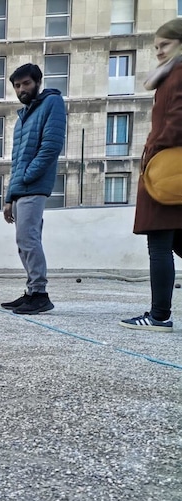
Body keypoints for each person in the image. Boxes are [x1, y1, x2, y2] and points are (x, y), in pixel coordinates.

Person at [120, 19, 182, 332]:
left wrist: (154, 152)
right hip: (173, 171)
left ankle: (159, 316)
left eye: (165, 45)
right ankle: (160, 314)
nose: (158, 51)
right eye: (156, 46)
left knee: (159, 244)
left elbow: (177, 121)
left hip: (168, 171)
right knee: (177, 242)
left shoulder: (179, 75)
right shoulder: (169, 75)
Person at [1, 63, 66, 315]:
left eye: (26, 83)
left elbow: (50, 147)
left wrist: (27, 178)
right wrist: (9, 197)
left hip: (34, 186)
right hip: (22, 188)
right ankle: (32, 291)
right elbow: (16, 161)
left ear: (37, 82)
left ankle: (40, 294)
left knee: (28, 239)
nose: (21, 89)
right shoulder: (22, 117)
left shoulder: (52, 103)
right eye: (17, 86)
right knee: (23, 241)